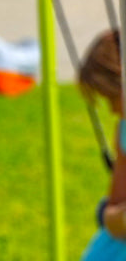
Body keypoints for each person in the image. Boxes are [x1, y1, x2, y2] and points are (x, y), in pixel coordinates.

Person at [80, 30, 126, 259]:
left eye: (112, 97)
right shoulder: (124, 131)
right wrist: (120, 219)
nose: (112, 110)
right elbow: (112, 211)